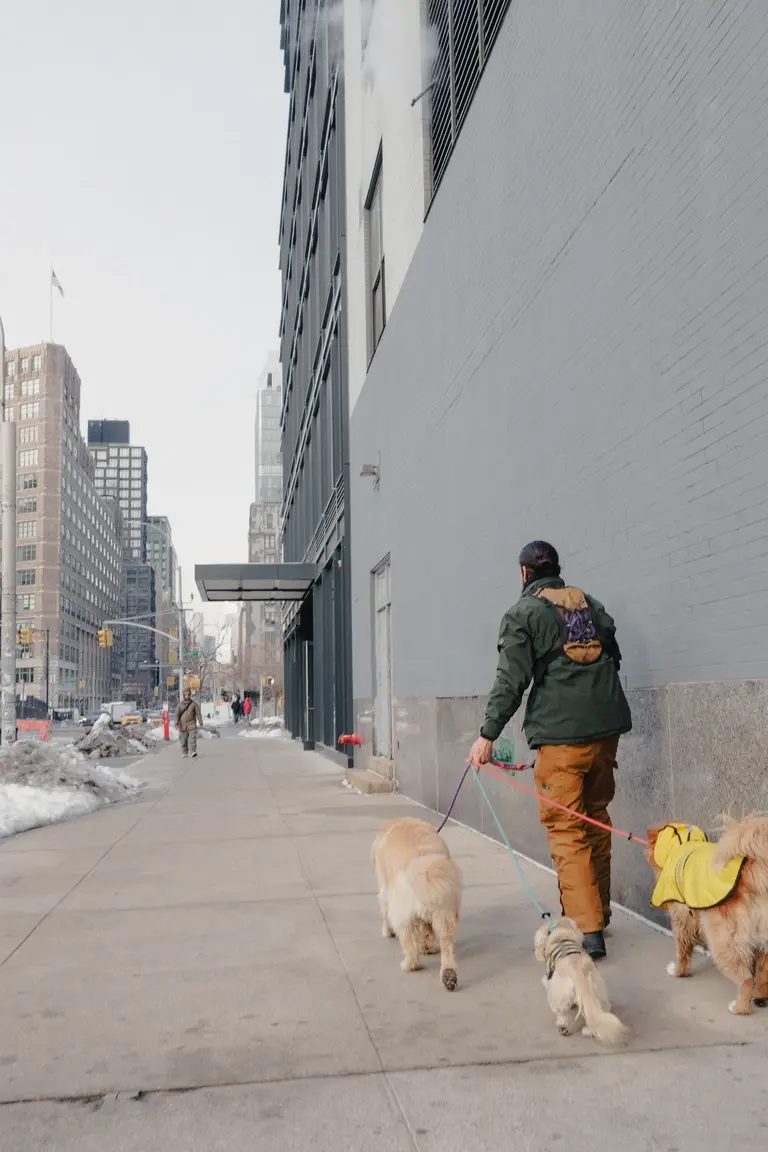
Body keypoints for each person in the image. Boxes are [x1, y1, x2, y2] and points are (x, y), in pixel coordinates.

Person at [468, 541, 632, 960]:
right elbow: (611, 647)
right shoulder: (588, 603)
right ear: (556, 570)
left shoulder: (523, 614)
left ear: (525, 574)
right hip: (606, 731)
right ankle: (600, 914)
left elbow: (511, 681)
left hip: (562, 741)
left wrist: (487, 736)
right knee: (595, 819)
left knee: (566, 829)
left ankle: (586, 930)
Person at [175, 688, 203, 759]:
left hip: (192, 724)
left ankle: (193, 751)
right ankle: (185, 752)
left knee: (192, 739)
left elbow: (198, 713)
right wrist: (176, 723)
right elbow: (177, 714)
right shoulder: (180, 705)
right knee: (183, 740)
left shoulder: (194, 704)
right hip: (182, 725)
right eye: (185, 695)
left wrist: (200, 722)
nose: (187, 696)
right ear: (183, 695)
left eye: (188, 695)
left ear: (190, 695)